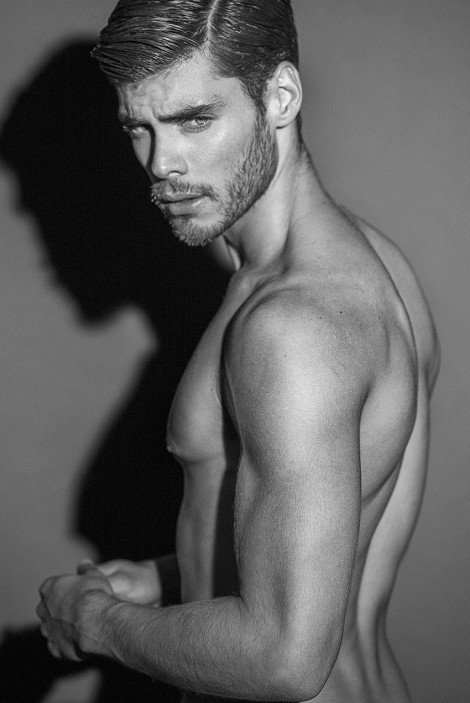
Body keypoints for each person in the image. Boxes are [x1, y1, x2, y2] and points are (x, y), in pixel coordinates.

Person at [36, 1, 440, 701]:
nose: (161, 164)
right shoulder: (374, 264)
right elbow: (328, 528)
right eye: (139, 128)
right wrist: (171, 576)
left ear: (280, 97)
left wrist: (98, 623)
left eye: (194, 120)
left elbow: (285, 659)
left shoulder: (291, 329)